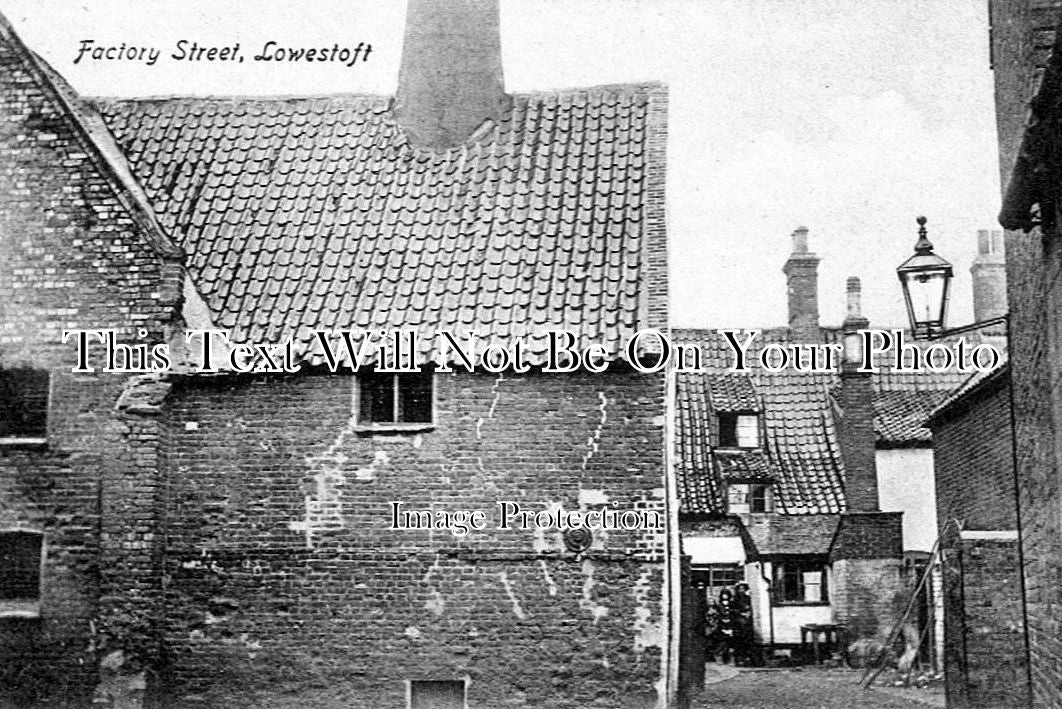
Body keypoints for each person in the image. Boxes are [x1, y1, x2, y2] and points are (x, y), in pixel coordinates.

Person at [732, 582, 755, 666]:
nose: (741, 590)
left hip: (747, 623)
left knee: (748, 641)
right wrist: (740, 613)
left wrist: (749, 613)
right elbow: (733, 609)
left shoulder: (748, 598)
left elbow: (750, 607)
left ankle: (747, 659)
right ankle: (738, 659)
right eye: (740, 589)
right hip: (738, 623)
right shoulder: (735, 599)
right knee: (738, 642)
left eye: (743, 589)